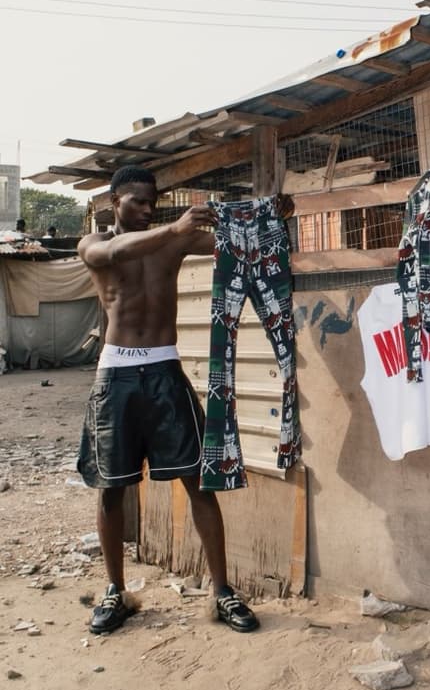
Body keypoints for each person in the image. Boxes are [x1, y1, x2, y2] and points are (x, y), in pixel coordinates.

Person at [77, 165, 291, 636]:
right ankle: (116, 592)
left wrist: (268, 215)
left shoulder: (171, 241)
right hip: (115, 375)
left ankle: (222, 593)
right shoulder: (94, 245)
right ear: (114, 202)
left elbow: (237, 244)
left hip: (164, 371)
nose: (147, 209)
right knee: (111, 488)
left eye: (152, 201)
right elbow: (114, 249)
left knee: (198, 481)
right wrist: (173, 229)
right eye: (137, 201)